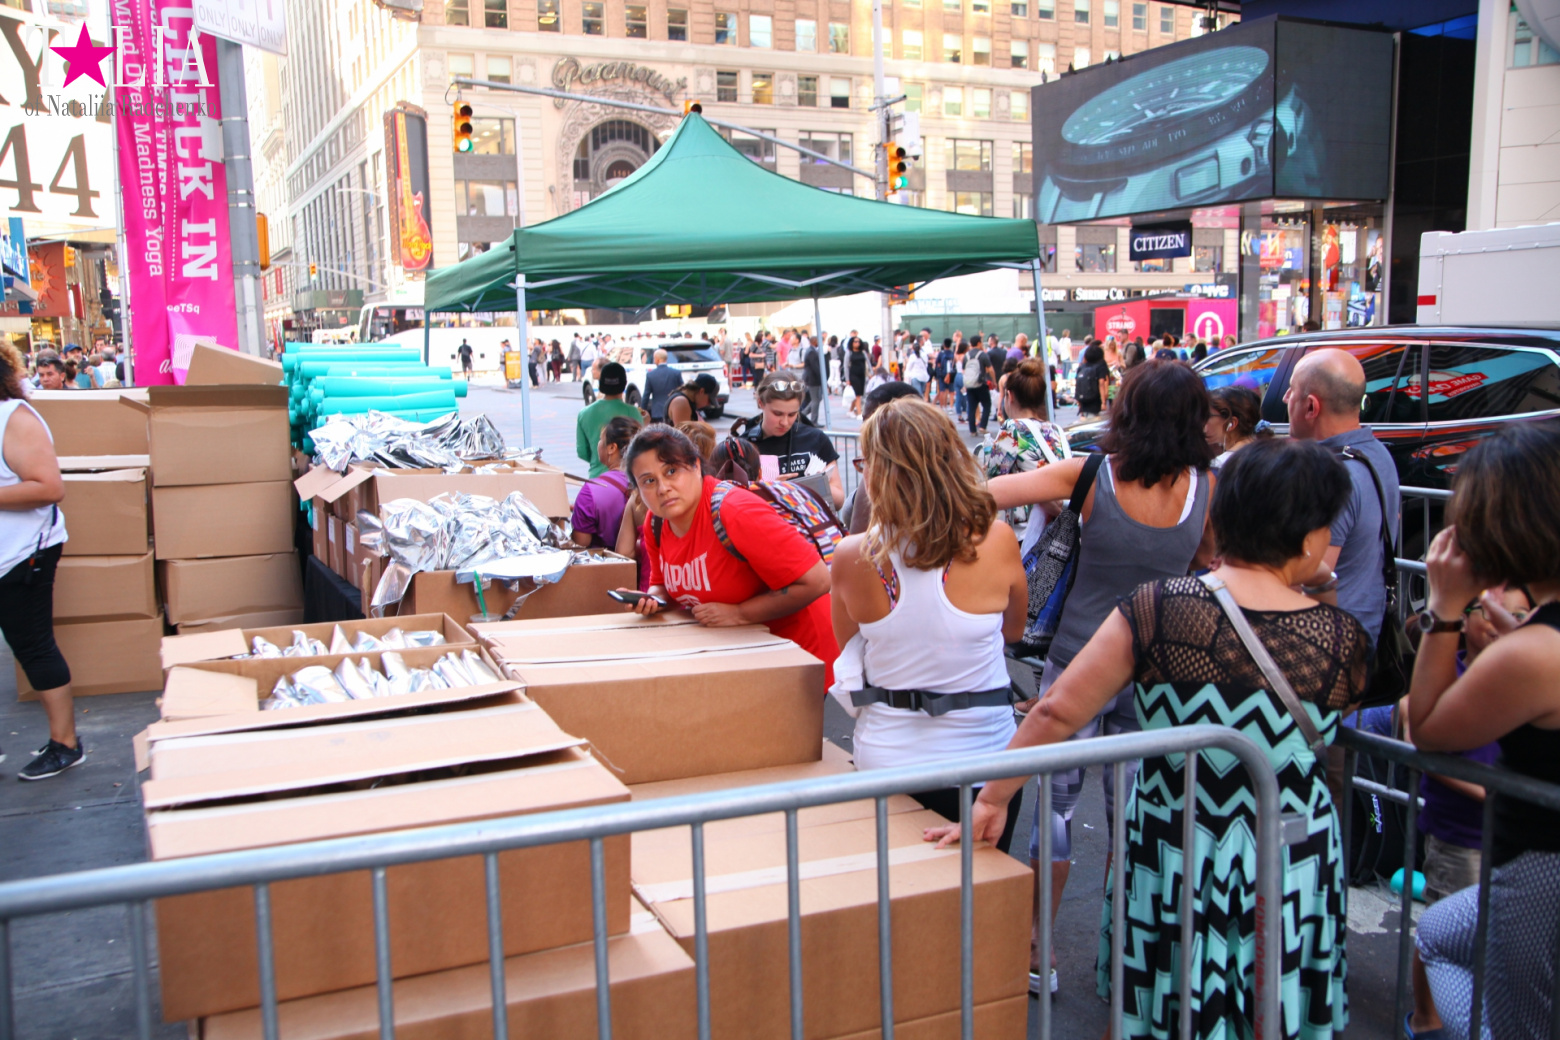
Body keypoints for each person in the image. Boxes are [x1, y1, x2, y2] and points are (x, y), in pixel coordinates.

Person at [931, 437, 1367, 1038]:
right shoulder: (1341, 637)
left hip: (1174, 839)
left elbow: (1056, 710)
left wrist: (993, 797)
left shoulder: (1160, 608)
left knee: (1153, 996)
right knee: (1274, 1000)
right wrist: (1324, 586)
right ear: (1311, 533)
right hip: (1291, 850)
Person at [986, 360, 1216, 997]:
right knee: (1133, 818)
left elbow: (988, 496)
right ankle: (1122, 949)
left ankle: (1039, 946)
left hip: (1079, 662)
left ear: (1128, 411)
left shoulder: (1091, 474)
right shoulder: (1207, 489)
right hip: (1160, 673)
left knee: (1055, 814)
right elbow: (1211, 562)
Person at [1405, 421, 1560, 1040]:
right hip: (1529, 868)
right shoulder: (1533, 642)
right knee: (1440, 933)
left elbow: (1431, 729)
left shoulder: (1533, 654)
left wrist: (1444, 610)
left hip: (1538, 874)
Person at [832, 397, 1027, 849]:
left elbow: (851, 646)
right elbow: (1013, 632)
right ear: (950, 458)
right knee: (979, 903)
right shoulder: (996, 539)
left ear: (875, 471)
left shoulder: (850, 556)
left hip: (887, 758)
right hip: (985, 760)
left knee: (895, 906)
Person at [618, 426, 839, 684]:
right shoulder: (655, 523)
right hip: (739, 656)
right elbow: (661, 585)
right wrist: (651, 600)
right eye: (648, 481)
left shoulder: (734, 511)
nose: (663, 488)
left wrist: (740, 613)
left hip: (799, 655)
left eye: (671, 471)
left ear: (697, 466)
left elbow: (818, 581)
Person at [1285, 348, 1400, 646]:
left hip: (1328, 647)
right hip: (1366, 634)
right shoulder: (1378, 453)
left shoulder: (1331, 475)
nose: (1285, 399)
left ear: (1311, 407)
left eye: (1291, 391)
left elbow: (1311, 575)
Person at [0, 344, 76, 779]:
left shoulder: (15, 419)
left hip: (24, 553)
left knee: (32, 644)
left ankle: (65, 743)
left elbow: (49, 486)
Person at [979, 360, 1070, 535]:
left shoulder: (1013, 428)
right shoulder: (1056, 430)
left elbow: (992, 480)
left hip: (1027, 529)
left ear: (1010, 396)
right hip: (1058, 524)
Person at [743, 373, 844, 508]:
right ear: (761, 403)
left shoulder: (816, 439)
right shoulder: (742, 447)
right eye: (777, 414)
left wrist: (818, 485)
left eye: (792, 414)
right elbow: (733, 505)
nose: (784, 422)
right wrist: (766, 490)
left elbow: (839, 501)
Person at [843, 381, 922, 535]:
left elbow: (859, 543)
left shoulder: (881, 473)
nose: (863, 429)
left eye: (870, 422)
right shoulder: (952, 470)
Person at [571, 416, 640, 550]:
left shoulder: (591, 491)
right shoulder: (649, 484)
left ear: (611, 448)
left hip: (608, 568)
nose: (599, 444)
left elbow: (581, 544)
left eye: (601, 440)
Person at [575, 362, 642, 478]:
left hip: (596, 477)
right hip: (625, 479)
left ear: (600, 384)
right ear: (624, 384)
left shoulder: (584, 413)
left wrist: (598, 458)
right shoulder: (633, 412)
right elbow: (640, 447)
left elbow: (582, 452)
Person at [1207, 385, 1272, 469]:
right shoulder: (1269, 452)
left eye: (1207, 416)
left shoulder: (1219, 466)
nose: (1201, 421)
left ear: (1231, 423)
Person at [641, 348, 683, 423]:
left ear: (657, 359)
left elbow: (646, 395)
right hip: (673, 411)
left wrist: (642, 410)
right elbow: (682, 391)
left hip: (657, 412)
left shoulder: (651, 375)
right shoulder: (676, 373)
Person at [1073, 343, 1109, 419]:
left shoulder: (1081, 367)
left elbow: (1078, 385)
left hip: (1083, 401)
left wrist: (1079, 403)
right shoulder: (1100, 366)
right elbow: (1101, 383)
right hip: (1095, 400)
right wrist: (1103, 402)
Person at [963, 345, 992, 435]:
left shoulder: (966, 356)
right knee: (987, 405)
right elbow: (990, 369)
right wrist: (993, 380)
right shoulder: (982, 355)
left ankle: (972, 430)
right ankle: (982, 426)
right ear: (979, 343)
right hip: (981, 383)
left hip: (969, 385)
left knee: (971, 407)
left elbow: (964, 370)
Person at [846, 335, 868, 411]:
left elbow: (867, 362)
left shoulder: (863, 352)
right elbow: (846, 366)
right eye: (855, 342)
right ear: (852, 343)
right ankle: (859, 412)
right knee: (858, 394)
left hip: (862, 375)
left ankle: (850, 410)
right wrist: (847, 379)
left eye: (858, 341)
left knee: (859, 395)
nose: (857, 343)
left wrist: (871, 372)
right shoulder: (849, 353)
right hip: (853, 375)